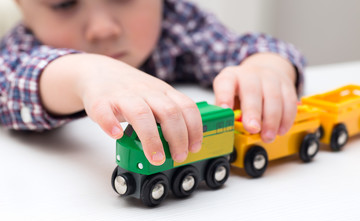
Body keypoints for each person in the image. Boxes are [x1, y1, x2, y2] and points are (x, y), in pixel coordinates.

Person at [0, 0, 305, 166]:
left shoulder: (176, 24)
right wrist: (85, 73)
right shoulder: (21, 46)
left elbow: (244, 47)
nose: (102, 29)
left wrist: (267, 67)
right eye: (64, 4)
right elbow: (9, 83)